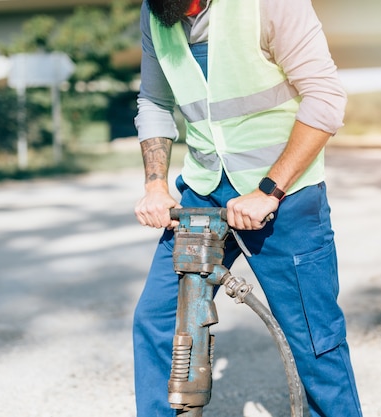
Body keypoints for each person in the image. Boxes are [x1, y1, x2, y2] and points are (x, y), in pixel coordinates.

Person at [132, 0, 363, 416]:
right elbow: (154, 100)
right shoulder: (156, 13)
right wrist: (155, 186)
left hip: (284, 197)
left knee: (313, 339)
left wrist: (269, 190)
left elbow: (325, 97)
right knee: (158, 321)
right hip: (202, 191)